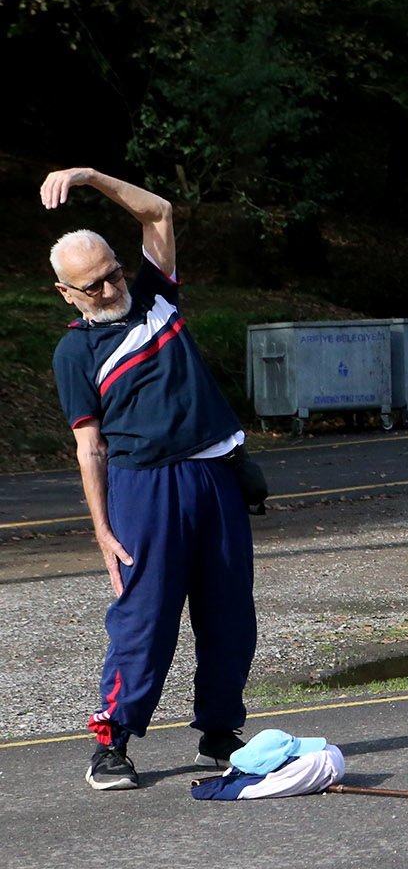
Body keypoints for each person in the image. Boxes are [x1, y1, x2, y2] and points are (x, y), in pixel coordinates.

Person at [40, 167, 257, 791]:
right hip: (143, 490)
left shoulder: (158, 297)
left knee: (229, 614)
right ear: (67, 292)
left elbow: (157, 212)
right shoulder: (74, 353)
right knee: (145, 618)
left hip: (215, 476)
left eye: (112, 272)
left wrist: (88, 176)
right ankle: (112, 742)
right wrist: (102, 531)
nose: (109, 288)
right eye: (93, 285)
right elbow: (90, 449)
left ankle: (221, 731)